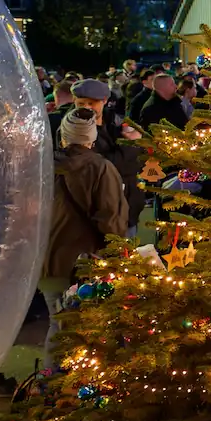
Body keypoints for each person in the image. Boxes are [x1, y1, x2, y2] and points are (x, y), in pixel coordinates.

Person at [44, 108, 127, 366]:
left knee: (58, 326)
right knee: (87, 332)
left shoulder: (44, 166)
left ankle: (50, 389)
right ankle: (69, 392)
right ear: (91, 138)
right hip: (85, 264)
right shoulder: (101, 169)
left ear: (63, 136)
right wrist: (118, 256)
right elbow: (111, 220)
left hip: (48, 262)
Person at [71, 79, 145, 238]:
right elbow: (102, 166)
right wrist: (131, 145)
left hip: (128, 205)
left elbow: (140, 160)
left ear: (104, 101)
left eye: (92, 103)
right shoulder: (73, 131)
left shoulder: (117, 123)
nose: (86, 108)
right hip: (99, 212)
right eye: (81, 103)